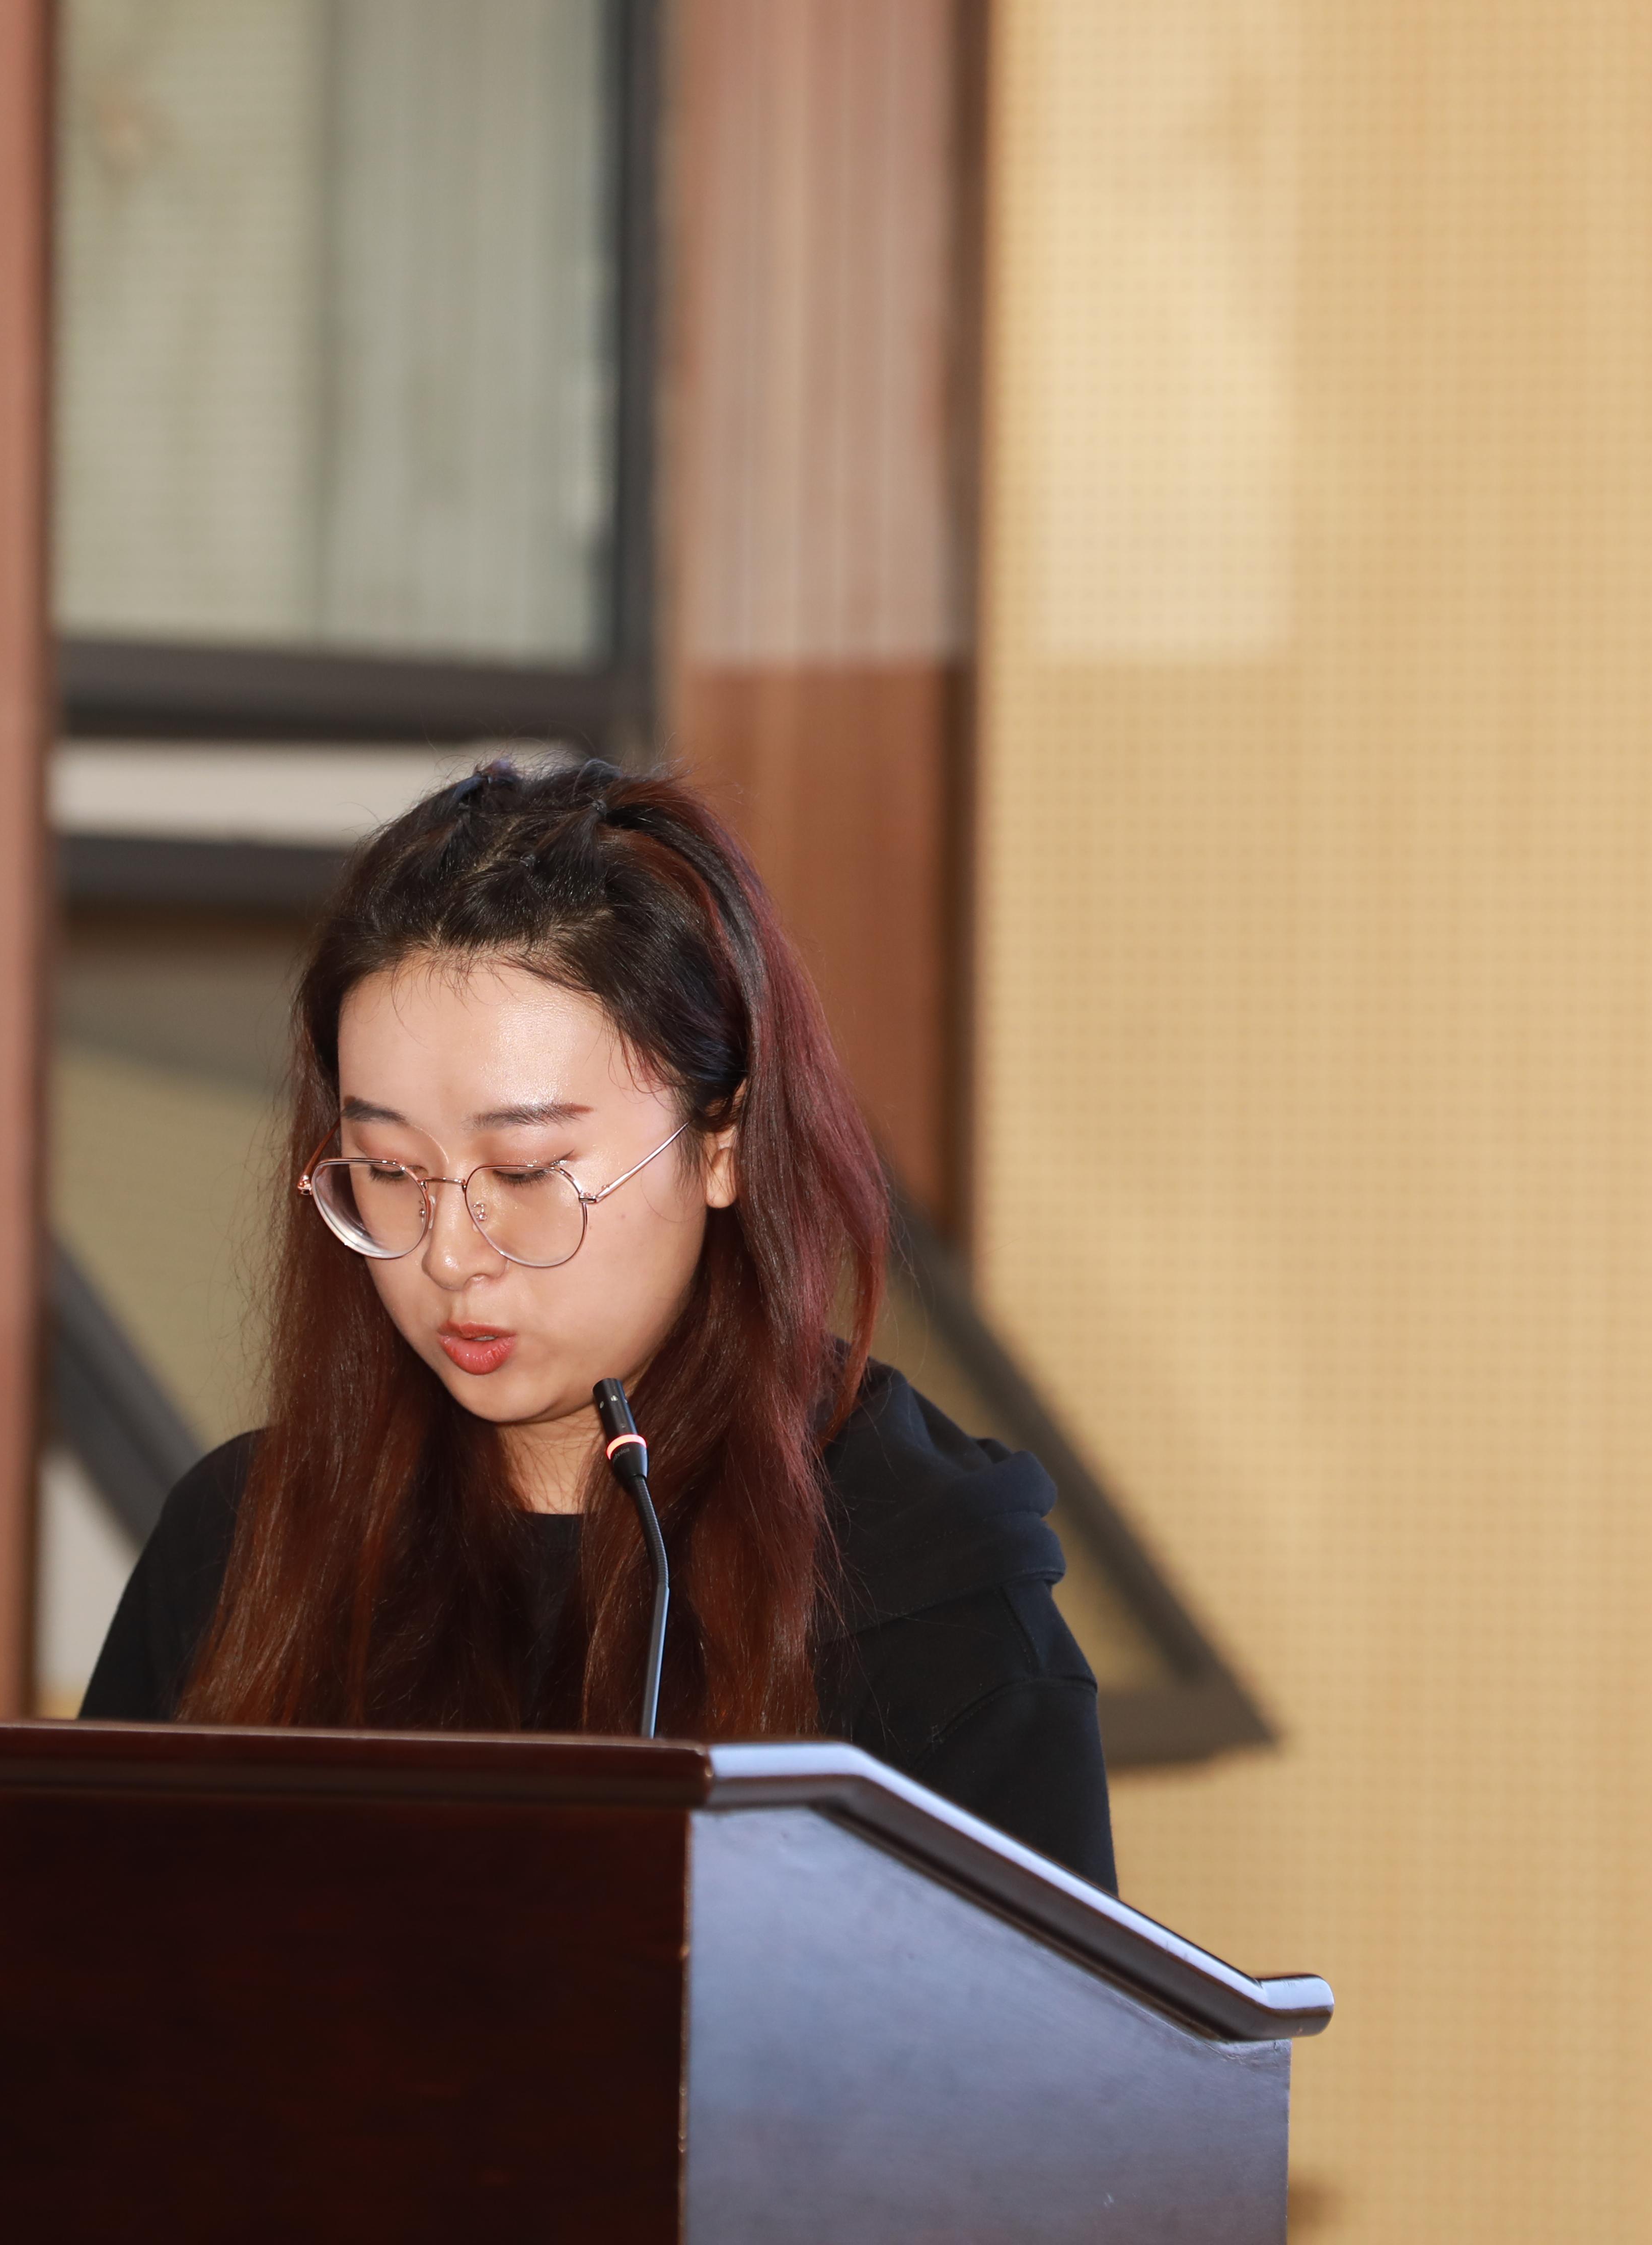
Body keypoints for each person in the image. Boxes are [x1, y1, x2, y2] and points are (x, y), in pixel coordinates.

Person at [80, 759, 1117, 1889]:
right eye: (388, 1169)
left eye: (527, 1172)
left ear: (721, 1141)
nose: (449, 1254)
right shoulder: (240, 1540)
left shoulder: (925, 1594)